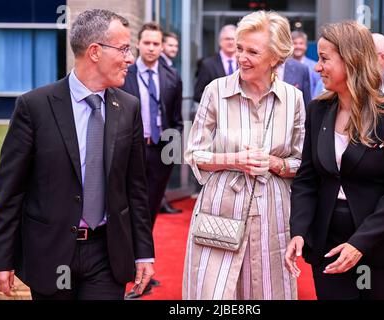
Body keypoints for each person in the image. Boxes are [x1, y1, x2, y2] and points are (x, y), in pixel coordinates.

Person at [0, 9, 155, 300]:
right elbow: (10, 190)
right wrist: (1, 257)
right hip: (50, 253)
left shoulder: (128, 108)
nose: (131, 59)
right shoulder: (35, 107)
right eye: (125, 49)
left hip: (107, 254)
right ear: (94, 51)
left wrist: (144, 254)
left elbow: (136, 190)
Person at [285, 21, 384, 300]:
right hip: (328, 239)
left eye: (325, 59)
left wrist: (359, 244)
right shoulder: (317, 110)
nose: (317, 67)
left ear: (351, 60)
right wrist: (299, 231)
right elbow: (307, 178)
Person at [183, 10, 305, 300]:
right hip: (220, 206)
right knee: (213, 292)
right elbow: (193, 153)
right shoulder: (216, 90)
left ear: (275, 57)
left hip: (272, 211)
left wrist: (274, 163)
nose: (241, 57)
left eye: (252, 51)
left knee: (268, 287)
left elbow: (303, 163)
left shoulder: (293, 98)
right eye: (239, 48)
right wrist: (234, 160)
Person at [120, 22, 183, 293]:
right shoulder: (126, 74)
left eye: (156, 43)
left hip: (160, 152)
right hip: (131, 151)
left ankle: (142, 264)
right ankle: (129, 267)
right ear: (138, 44)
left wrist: (173, 154)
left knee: (150, 210)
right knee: (131, 210)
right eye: (147, 43)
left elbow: (177, 120)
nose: (151, 48)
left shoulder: (172, 76)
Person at [158, 31, 183, 214]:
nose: (174, 49)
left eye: (176, 46)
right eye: (170, 45)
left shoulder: (172, 70)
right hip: (157, 131)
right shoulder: (159, 67)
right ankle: (161, 201)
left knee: (164, 169)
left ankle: (162, 200)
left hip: (169, 129)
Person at [193, 24, 237, 104]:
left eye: (233, 39)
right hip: (217, 114)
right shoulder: (207, 64)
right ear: (220, 42)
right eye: (227, 39)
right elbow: (198, 94)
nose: (231, 42)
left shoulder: (244, 63)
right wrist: (218, 102)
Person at [291, 30, 323, 98]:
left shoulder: (315, 67)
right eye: (295, 43)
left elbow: (318, 89)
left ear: (306, 46)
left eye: (301, 43)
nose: (298, 46)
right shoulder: (284, 66)